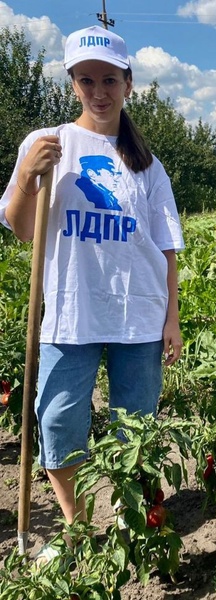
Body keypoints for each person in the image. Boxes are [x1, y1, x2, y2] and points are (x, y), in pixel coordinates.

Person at [0, 26, 185, 560]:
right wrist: (28, 179)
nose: (98, 91)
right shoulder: (47, 144)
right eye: (86, 80)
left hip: (138, 314)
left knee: (137, 430)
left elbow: (167, 246)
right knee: (57, 420)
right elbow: (21, 228)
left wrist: (172, 317)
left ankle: (134, 519)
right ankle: (77, 524)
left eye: (109, 79)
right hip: (70, 309)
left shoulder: (147, 164)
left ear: (128, 84)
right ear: (72, 83)